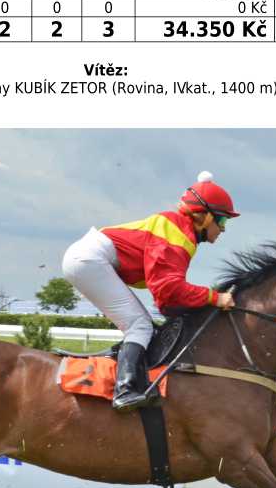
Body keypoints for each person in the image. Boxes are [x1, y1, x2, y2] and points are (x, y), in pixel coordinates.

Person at [62, 172, 238, 412]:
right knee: (140, 326)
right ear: (205, 216)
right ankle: (124, 391)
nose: (223, 229)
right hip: (91, 260)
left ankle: (123, 371)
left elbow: (165, 300)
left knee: (144, 327)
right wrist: (215, 297)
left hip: (89, 259)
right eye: (223, 220)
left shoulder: (179, 230)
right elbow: (168, 289)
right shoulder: (177, 234)